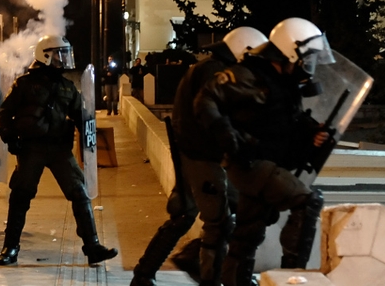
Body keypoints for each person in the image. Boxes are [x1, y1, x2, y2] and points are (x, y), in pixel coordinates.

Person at [195, 18, 334, 286]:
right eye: (307, 57)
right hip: (252, 162)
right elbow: (206, 99)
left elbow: (283, 120)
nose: (310, 64)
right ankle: (290, 278)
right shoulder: (250, 75)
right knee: (308, 202)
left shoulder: (283, 80)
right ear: (291, 51)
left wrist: (312, 132)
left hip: (263, 160)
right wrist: (228, 136)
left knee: (247, 234)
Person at [131, 27, 268, 286]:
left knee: (188, 214)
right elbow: (215, 113)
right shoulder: (216, 72)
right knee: (219, 222)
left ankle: (146, 274)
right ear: (244, 51)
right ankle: (209, 277)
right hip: (204, 156)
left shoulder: (210, 68)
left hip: (197, 153)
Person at [0, 35, 118, 266]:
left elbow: (81, 116)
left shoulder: (67, 87)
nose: (64, 58)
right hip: (31, 148)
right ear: (46, 55)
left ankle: (92, 247)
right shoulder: (24, 84)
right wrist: (10, 139)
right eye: (60, 54)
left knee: (80, 193)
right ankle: (10, 248)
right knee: (21, 196)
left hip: (60, 149)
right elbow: (4, 113)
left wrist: (89, 134)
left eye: (65, 53)